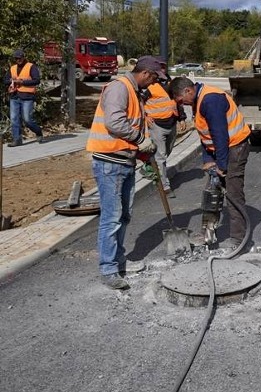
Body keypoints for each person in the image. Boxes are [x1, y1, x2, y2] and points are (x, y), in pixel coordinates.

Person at [86, 56, 162, 290]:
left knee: (124, 215)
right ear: (146, 74)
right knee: (112, 217)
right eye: (155, 79)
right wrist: (141, 140)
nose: (154, 84)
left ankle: (119, 261)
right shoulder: (120, 88)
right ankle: (108, 269)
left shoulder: (134, 91)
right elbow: (115, 124)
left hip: (124, 161)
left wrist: (143, 155)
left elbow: (131, 129)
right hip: (110, 162)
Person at [170, 76, 251, 251]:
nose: (182, 104)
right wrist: (208, 160)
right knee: (211, 193)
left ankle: (239, 239)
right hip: (221, 150)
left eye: (181, 100)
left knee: (233, 194)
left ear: (188, 91)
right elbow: (205, 132)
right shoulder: (197, 100)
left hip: (234, 148)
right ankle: (207, 234)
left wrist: (221, 166)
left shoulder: (211, 100)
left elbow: (220, 136)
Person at [142, 57, 185, 197]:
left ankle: (149, 165)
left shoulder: (171, 84)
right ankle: (165, 187)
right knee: (161, 156)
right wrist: (145, 116)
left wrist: (181, 118)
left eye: (164, 67)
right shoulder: (149, 86)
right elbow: (138, 101)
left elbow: (177, 101)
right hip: (156, 125)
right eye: (160, 67)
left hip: (171, 124)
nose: (162, 69)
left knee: (166, 152)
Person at [4, 49, 44, 147]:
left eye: (20, 58)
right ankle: (17, 140)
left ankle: (38, 131)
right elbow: (5, 80)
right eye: (16, 58)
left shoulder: (31, 67)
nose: (18, 60)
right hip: (14, 96)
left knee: (27, 120)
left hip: (27, 97)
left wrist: (22, 82)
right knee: (14, 119)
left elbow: (37, 80)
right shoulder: (12, 68)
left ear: (23, 57)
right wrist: (10, 81)